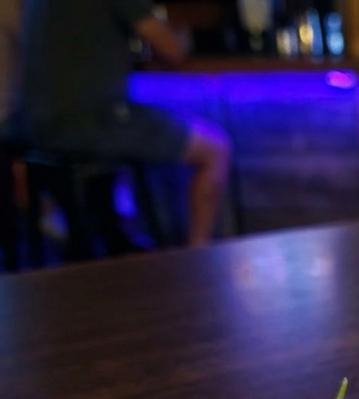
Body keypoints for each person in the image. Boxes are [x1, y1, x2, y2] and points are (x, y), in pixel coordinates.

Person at [18, 0, 231, 246]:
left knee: (128, 148)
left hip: (33, 126)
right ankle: (197, 253)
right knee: (216, 148)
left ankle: (118, 235)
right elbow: (172, 50)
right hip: (91, 123)